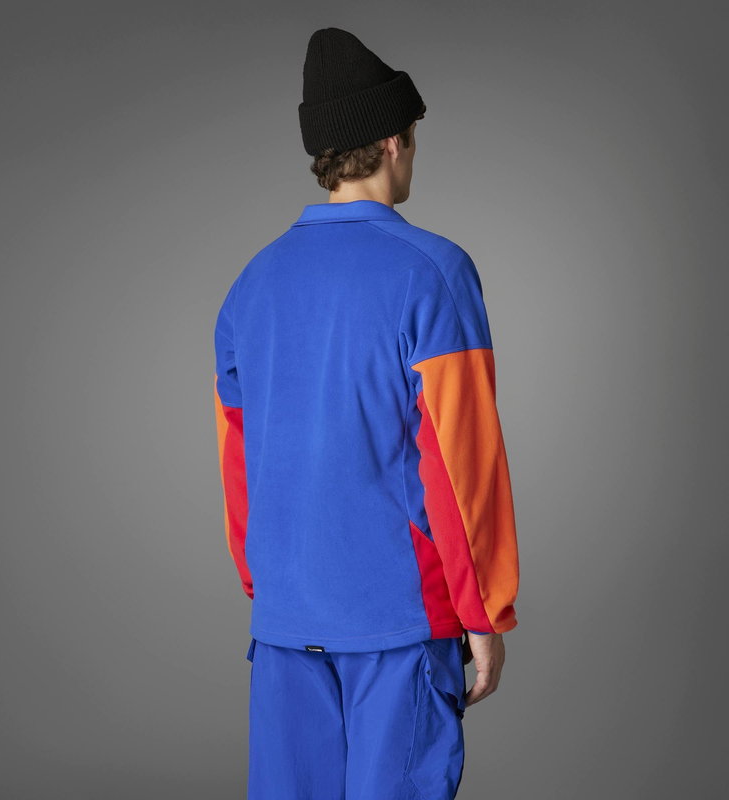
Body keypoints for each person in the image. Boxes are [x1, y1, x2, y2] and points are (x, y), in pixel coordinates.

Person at [213, 26, 520, 800]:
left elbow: (238, 457)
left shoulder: (251, 284)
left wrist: (269, 585)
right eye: (413, 138)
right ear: (392, 141)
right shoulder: (434, 272)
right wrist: (483, 613)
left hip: (285, 620)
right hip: (399, 622)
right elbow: (460, 462)